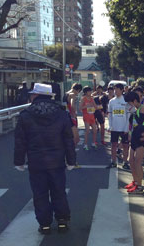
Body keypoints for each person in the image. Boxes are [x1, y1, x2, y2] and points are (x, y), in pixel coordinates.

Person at [14, 83, 76, 235]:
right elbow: (68, 139)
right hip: (57, 161)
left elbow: (20, 141)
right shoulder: (61, 114)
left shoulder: (26, 115)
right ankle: (62, 221)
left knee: (40, 193)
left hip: (36, 162)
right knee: (59, 191)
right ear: (50, 97)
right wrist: (71, 160)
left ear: (35, 96)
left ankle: (45, 224)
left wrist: (19, 161)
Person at [126, 89, 144, 193]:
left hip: (142, 136)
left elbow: (140, 121)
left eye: (130, 103)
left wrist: (134, 112)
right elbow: (132, 124)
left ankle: (139, 186)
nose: (128, 105)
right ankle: (135, 181)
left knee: (138, 161)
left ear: (135, 101)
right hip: (134, 136)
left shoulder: (142, 108)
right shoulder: (134, 109)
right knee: (130, 160)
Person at [107, 83, 135, 168]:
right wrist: (110, 125)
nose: (115, 91)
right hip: (114, 127)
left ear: (122, 90)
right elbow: (110, 114)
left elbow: (130, 113)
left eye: (117, 89)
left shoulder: (126, 100)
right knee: (114, 145)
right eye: (114, 89)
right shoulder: (111, 101)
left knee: (126, 146)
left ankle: (125, 162)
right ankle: (113, 162)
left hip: (124, 128)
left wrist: (127, 128)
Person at [80, 86, 98, 150]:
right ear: (86, 92)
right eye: (89, 91)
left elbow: (96, 107)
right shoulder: (83, 99)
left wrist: (94, 106)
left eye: (91, 91)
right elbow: (80, 108)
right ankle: (85, 145)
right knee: (87, 131)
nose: (90, 92)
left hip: (92, 116)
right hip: (86, 116)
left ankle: (93, 143)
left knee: (95, 131)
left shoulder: (92, 98)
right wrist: (86, 106)